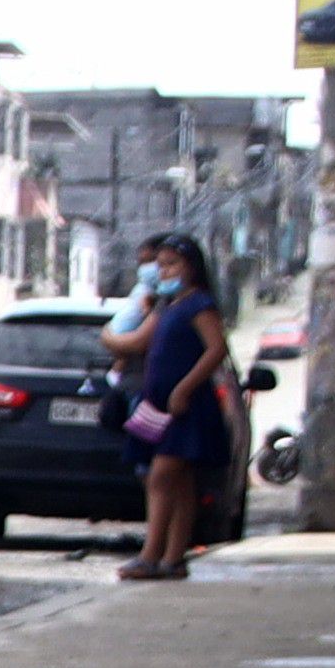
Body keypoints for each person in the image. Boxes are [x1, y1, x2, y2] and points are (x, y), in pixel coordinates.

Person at [99, 232, 230, 581]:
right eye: (161, 266)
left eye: (172, 264)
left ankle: (151, 554)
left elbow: (216, 350)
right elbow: (136, 341)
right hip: (155, 403)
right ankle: (173, 558)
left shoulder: (200, 304)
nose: (165, 272)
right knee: (177, 482)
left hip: (182, 406)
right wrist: (110, 335)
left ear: (192, 266)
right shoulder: (166, 307)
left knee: (161, 476)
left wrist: (185, 388)